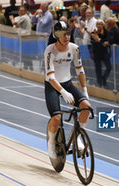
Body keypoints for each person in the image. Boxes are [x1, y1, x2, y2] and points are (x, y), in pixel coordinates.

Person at [44, 21, 91, 160]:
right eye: (63, 34)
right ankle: (51, 143)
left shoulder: (74, 48)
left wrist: (84, 90)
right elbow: (51, 77)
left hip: (67, 83)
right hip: (53, 86)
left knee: (86, 107)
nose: (67, 37)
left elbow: (80, 70)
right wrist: (63, 92)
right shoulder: (50, 50)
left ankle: (77, 137)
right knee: (56, 117)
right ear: (57, 35)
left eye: (68, 34)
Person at [90, 19, 111, 88]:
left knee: (109, 67)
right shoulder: (94, 33)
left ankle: (104, 79)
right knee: (98, 68)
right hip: (96, 53)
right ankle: (100, 82)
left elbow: (108, 41)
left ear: (103, 25)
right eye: (98, 24)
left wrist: (101, 41)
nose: (99, 26)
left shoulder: (106, 32)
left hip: (104, 52)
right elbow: (93, 42)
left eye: (101, 24)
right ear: (96, 25)